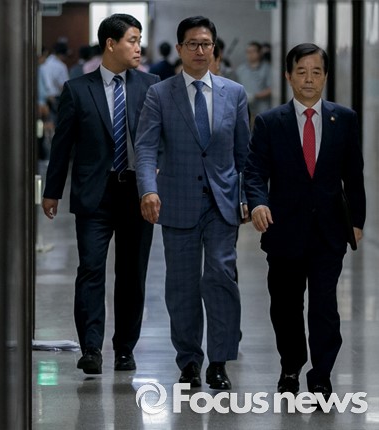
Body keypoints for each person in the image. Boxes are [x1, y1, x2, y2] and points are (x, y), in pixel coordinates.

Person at [133, 16, 250, 390]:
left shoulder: (235, 93)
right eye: (192, 44)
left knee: (220, 276)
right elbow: (146, 147)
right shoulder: (160, 94)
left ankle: (219, 361)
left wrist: (247, 196)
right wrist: (148, 190)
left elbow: (244, 154)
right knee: (181, 285)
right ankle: (189, 361)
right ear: (180, 48)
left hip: (222, 202)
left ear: (214, 48)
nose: (200, 50)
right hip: (178, 201)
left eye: (206, 44)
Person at [244, 43, 365, 398]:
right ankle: (291, 366)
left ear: (325, 77)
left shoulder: (344, 119)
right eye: (301, 72)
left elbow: (353, 175)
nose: (309, 79)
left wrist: (357, 220)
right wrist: (258, 204)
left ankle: (322, 375)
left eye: (316, 72)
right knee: (285, 306)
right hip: (284, 230)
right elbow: (255, 172)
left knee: (325, 305)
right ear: (288, 76)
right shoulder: (270, 122)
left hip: (329, 231)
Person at [42, 14, 159, 375]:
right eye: (132, 41)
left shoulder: (150, 86)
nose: (138, 48)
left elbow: (161, 140)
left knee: (132, 273)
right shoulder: (78, 89)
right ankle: (91, 348)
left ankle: (124, 349)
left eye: (139, 40)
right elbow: (63, 145)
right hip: (95, 193)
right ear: (111, 44)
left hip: (136, 193)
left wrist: (157, 180)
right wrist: (52, 191)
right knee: (91, 269)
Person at [236, 41, 272, 123]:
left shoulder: (267, 68)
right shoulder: (241, 69)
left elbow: (272, 89)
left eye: (253, 51)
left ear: (260, 53)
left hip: (263, 110)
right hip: (245, 110)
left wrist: (254, 96)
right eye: (248, 52)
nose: (250, 54)